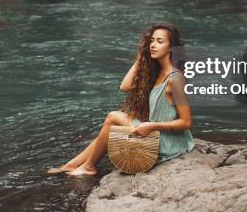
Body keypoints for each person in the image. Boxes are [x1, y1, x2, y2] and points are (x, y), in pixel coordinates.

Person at [47, 22, 195, 176]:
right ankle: (73, 164)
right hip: (154, 131)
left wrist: (152, 126)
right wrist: (142, 57)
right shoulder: (157, 72)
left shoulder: (175, 79)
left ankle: (89, 166)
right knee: (110, 124)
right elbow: (124, 86)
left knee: (113, 117)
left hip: (168, 141)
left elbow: (186, 122)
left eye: (159, 41)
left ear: (171, 47)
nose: (153, 45)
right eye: (151, 41)